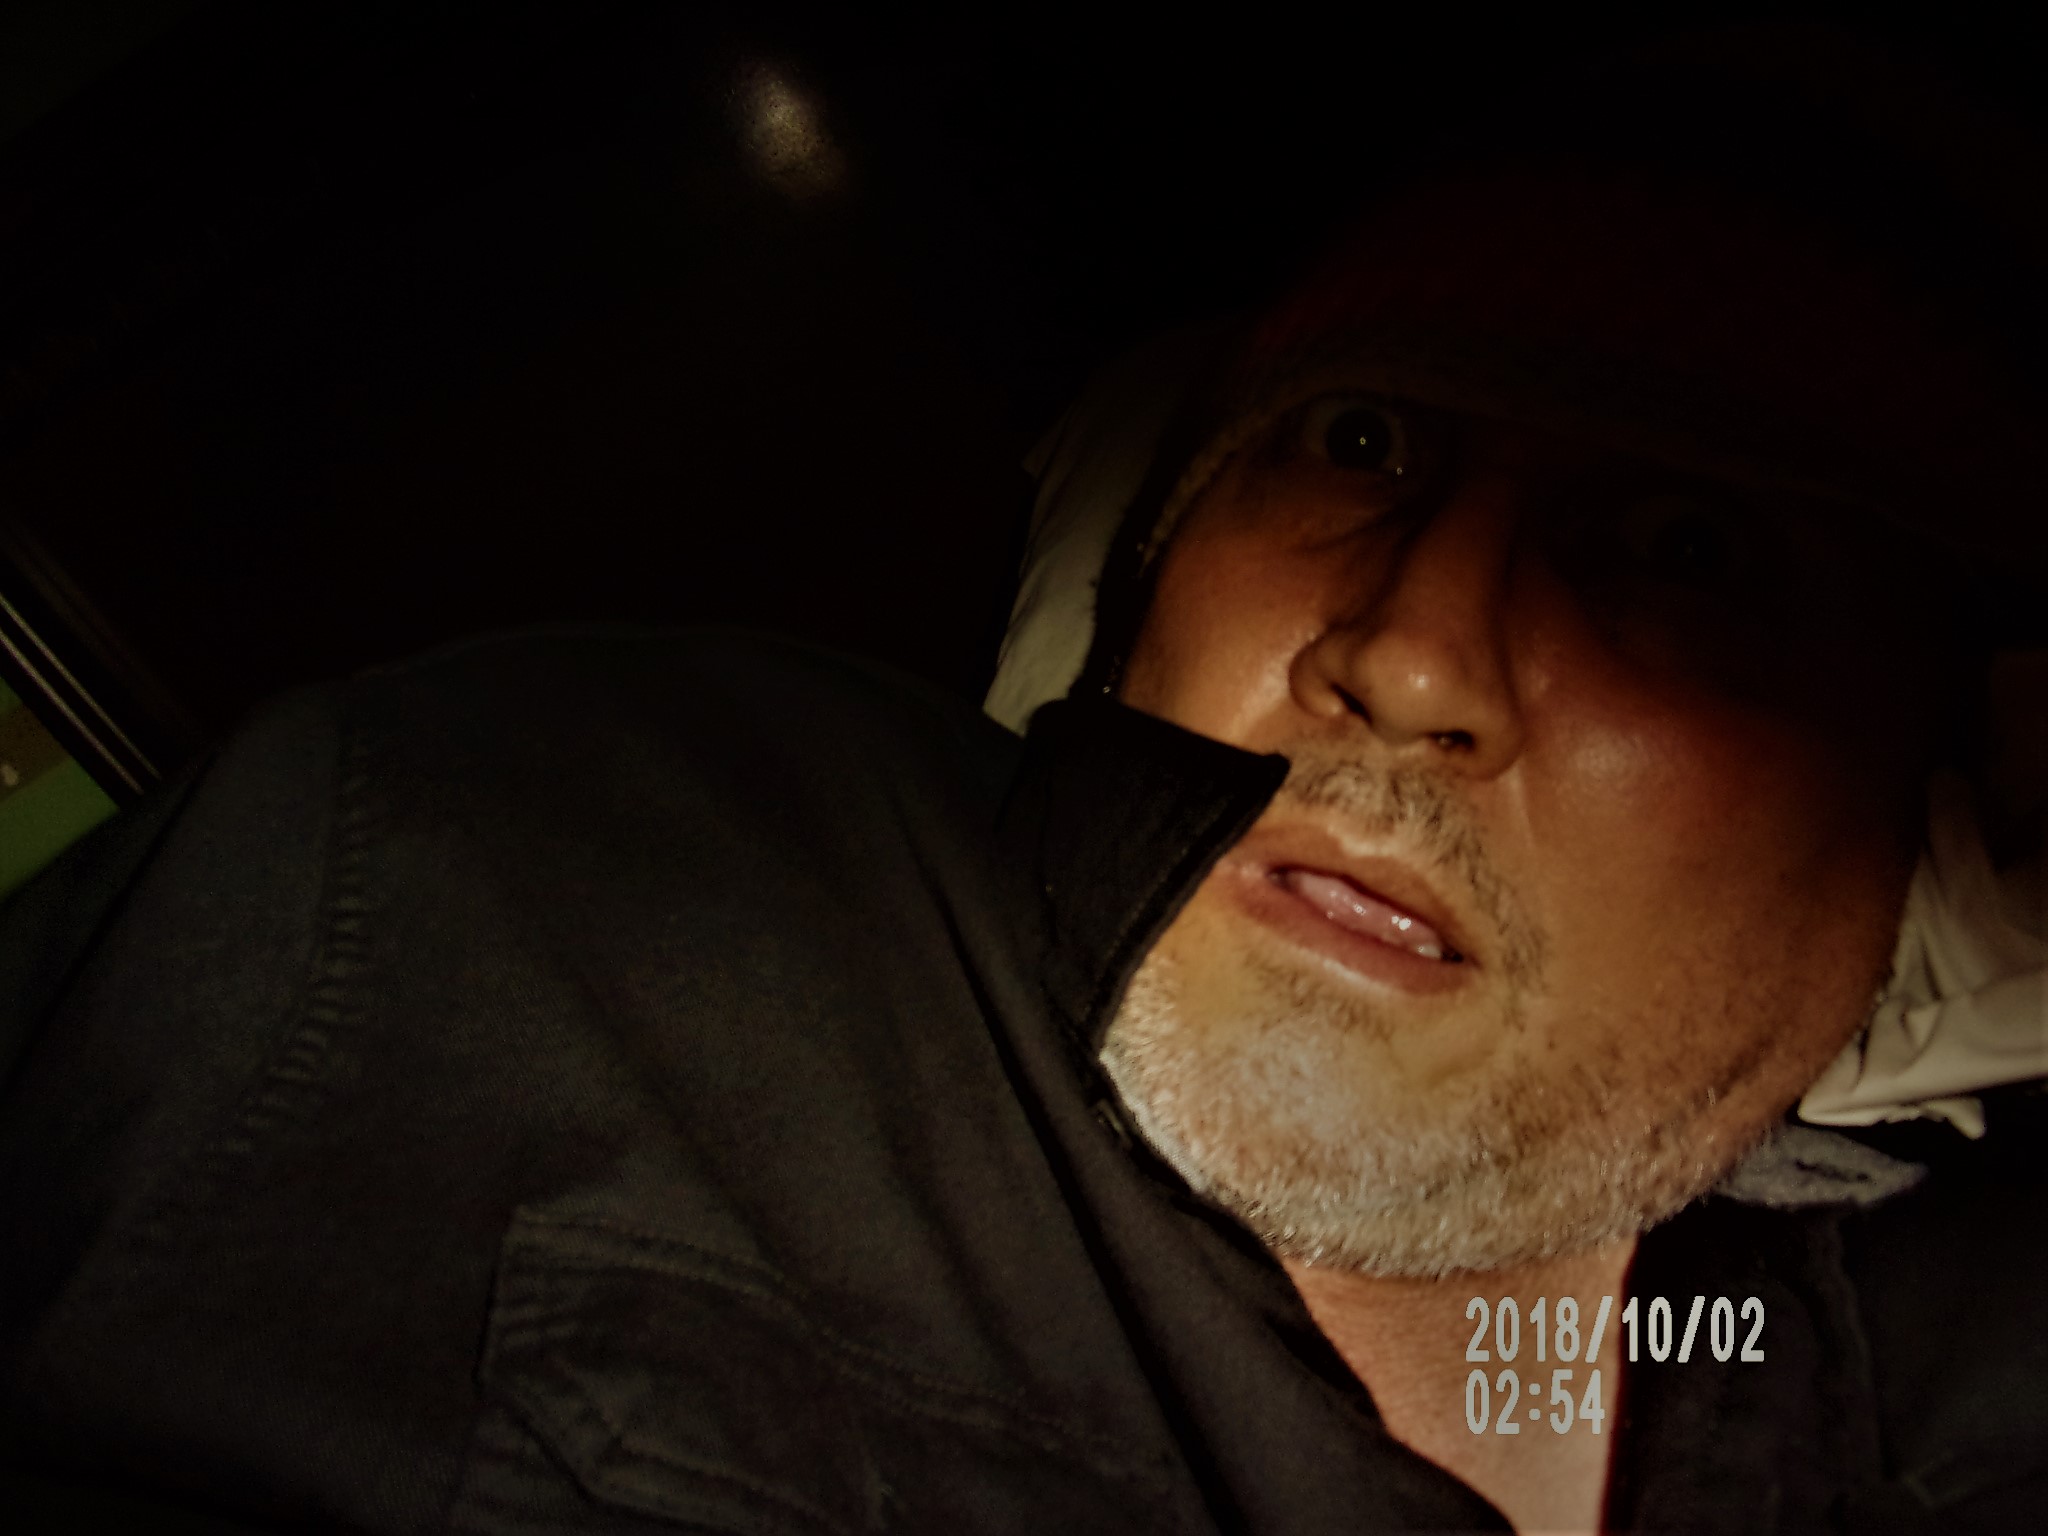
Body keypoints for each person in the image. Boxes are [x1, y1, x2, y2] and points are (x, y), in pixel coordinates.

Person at [2, 29, 2044, 1536]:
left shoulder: (1834, 1342)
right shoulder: (515, 904)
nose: (1409, 651)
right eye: (1358, 443)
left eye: (1688, 549)